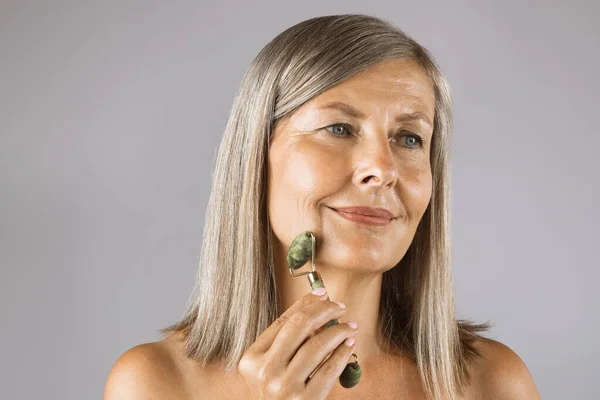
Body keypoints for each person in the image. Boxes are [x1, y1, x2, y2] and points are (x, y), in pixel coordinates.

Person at [104, 13, 541, 399]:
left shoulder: (493, 384)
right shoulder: (156, 386)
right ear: (257, 157)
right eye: (339, 128)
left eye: (409, 138)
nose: (382, 169)